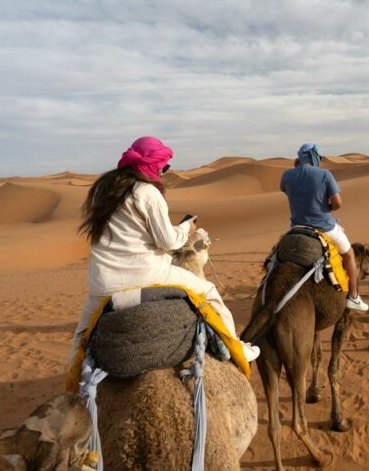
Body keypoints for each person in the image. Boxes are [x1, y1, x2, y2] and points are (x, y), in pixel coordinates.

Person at [71, 136, 259, 362]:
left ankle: (73, 383)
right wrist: (186, 228)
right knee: (208, 292)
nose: (163, 171)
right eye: (164, 165)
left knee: (82, 333)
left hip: (103, 282)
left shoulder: (103, 189)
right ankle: (237, 348)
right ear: (152, 163)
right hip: (146, 276)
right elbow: (168, 242)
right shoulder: (147, 192)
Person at [279, 143, 368, 311]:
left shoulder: (287, 175)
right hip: (324, 227)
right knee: (349, 255)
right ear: (314, 157)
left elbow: (286, 190)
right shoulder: (325, 174)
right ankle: (354, 297)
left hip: (296, 227)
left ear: (299, 158)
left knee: (276, 257)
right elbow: (338, 204)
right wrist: (325, 206)